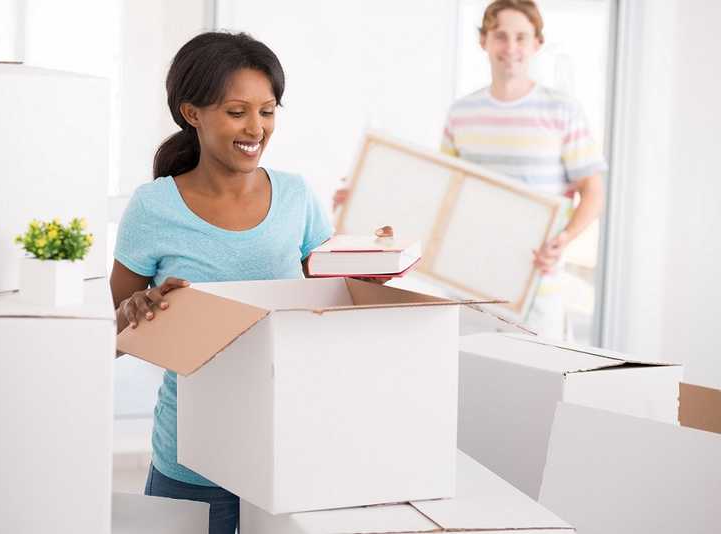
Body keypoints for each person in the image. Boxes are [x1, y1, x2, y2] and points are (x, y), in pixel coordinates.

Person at [110, 32, 334, 533]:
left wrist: (374, 261)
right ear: (192, 113)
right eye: (237, 112)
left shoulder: (297, 197)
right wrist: (134, 315)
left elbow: (335, 296)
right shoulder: (153, 207)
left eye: (268, 111)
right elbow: (108, 338)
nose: (256, 128)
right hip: (192, 457)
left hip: (287, 446)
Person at [336, 0, 606, 340]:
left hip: (537, 290)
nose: (511, 47)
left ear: (537, 44)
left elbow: (593, 191)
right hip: (468, 286)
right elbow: (440, 198)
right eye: (500, 36)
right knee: (471, 385)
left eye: (521, 37)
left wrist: (564, 240)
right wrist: (364, 195)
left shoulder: (562, 110)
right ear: (484, 41)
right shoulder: (462, 113)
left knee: (536, 388)